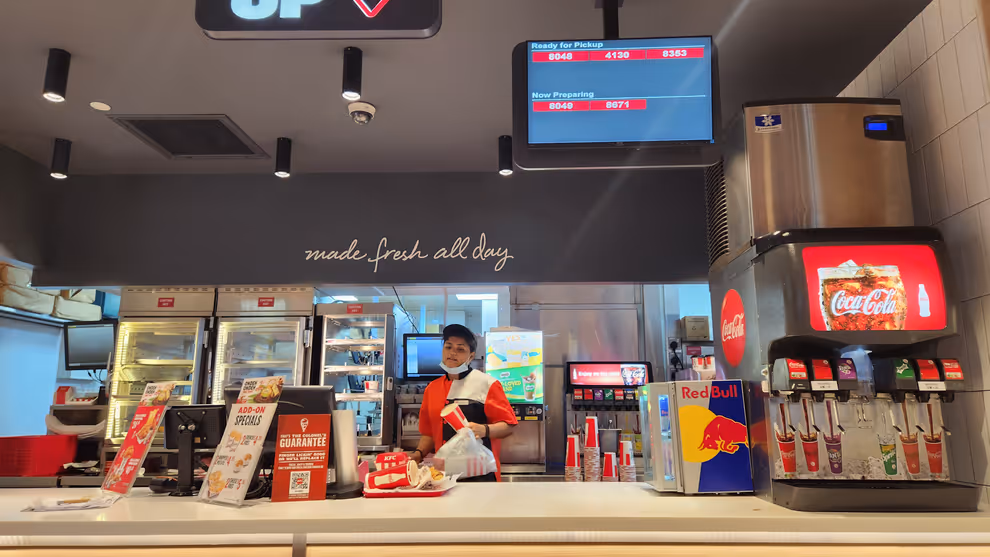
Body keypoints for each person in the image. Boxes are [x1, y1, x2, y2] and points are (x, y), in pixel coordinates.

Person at [409, 324, 517, 481]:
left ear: (471, 356)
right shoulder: (432, 389)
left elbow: (509, 426)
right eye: (448, 347)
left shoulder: (487, 384)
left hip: (480, 475)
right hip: (444, 476)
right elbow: (429, 433)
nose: (452, 353)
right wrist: (418, 454)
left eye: (460, 349)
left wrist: (484, 429)